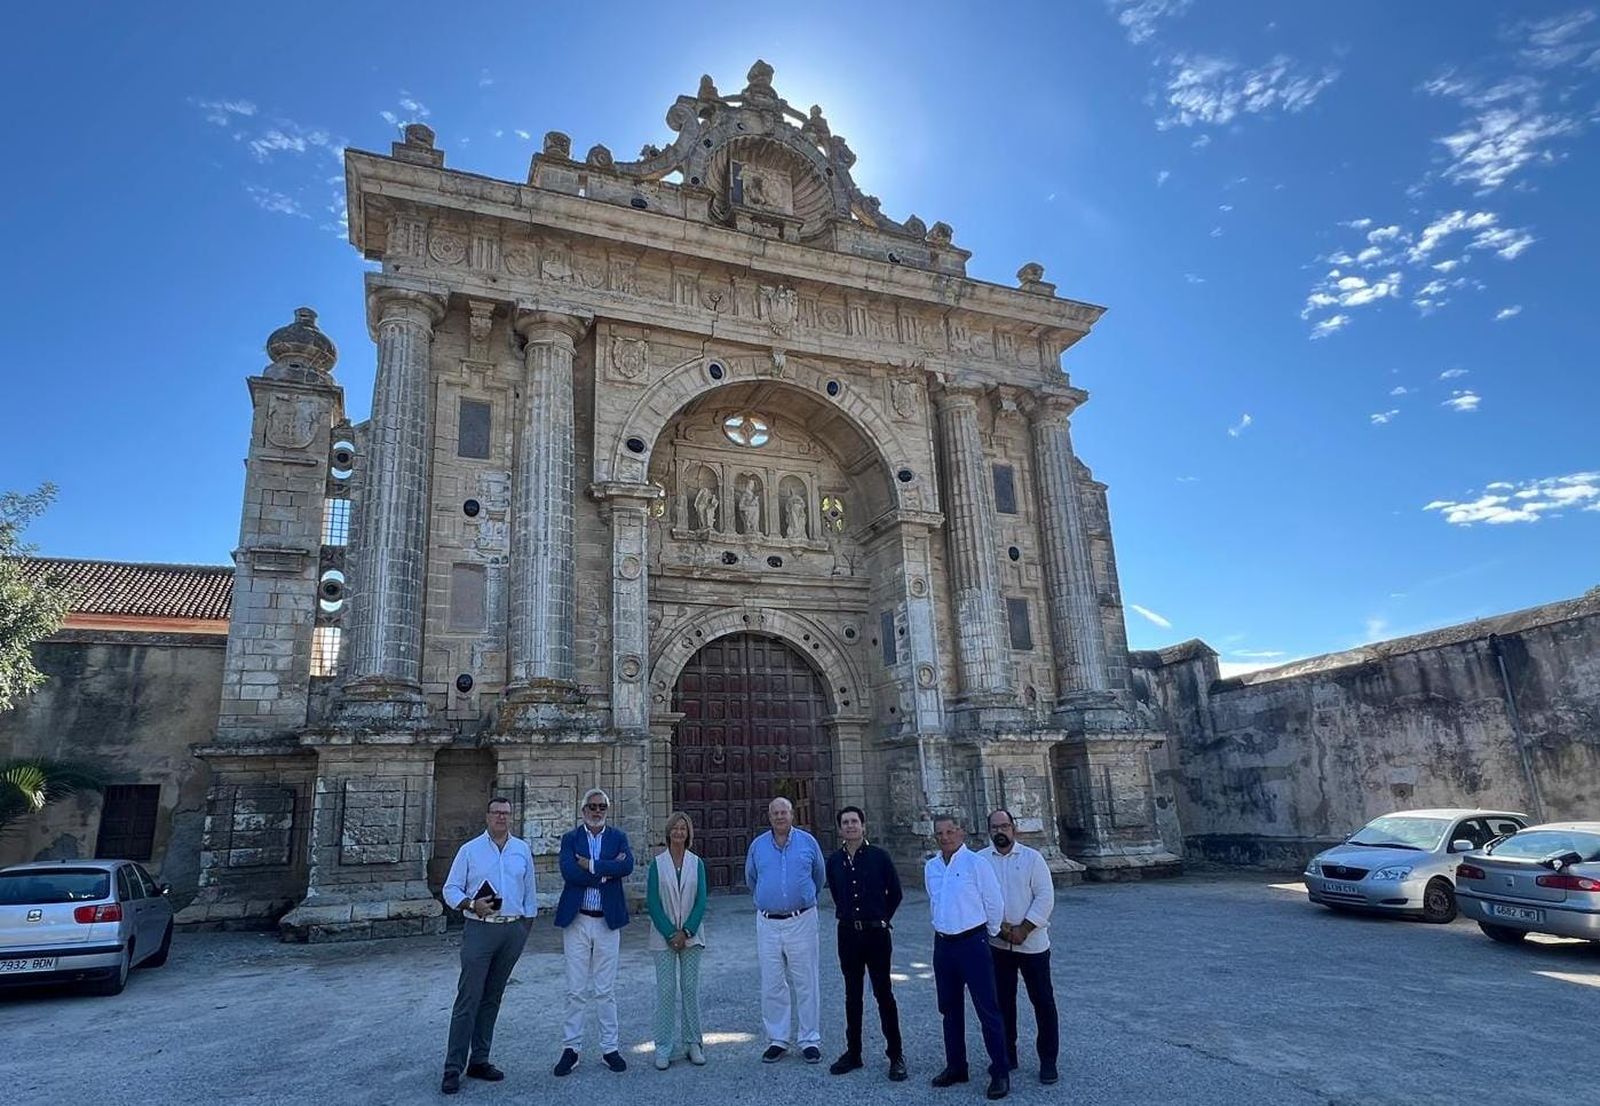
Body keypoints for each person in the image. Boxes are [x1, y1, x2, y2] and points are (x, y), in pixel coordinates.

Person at [438, 797, 538, 1095]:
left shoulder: (522, 849)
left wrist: (524, 928)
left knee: (492, 998)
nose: (501, 818)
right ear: (487, 816)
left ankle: (479, 1060)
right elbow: (450, 888)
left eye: (506, 813)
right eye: (496, 813)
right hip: (480, 930)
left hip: (512, 930)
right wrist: (470, 903)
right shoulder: (469, 850)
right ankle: (452, 1067)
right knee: (468, 998)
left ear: (512, 817)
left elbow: (530, 892)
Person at [924, 814, 1009, 1100]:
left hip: (973, 943)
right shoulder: (932, 867)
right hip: (944, 945)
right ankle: (956, 1066)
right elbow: (935, 902)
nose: (945, 837)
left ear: (961, 832)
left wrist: (989, 933)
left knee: (987, 1009)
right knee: (949, 1009)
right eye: (940, 833)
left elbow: (994, 902)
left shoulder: (977, 864)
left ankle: (1000, 1071)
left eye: (950, 831)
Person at [553, 787, 635, 1076]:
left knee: (605, 990)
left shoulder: (618, 837)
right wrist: (606, 871)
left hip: (607, 921)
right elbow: (569, 873)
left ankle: (609, 1048)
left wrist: (590, 865)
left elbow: (628, 867)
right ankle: (571, 1049)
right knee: (575, 990)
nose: (597, 810)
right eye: (592, 805)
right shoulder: (570, 839)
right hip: (577, 920)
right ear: (583, 809)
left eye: (601, 806)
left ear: (606, 810)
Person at [824, 806, 907, 1081]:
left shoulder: (880, 857)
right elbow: (836, 893)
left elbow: (895, 892)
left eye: (854, 821)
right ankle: (854, 1053)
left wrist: (881, 917)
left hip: (877, 935)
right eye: (845, 822)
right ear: (840, 829)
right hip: (848, 935)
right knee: (852, 995)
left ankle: (896, 1056)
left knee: (884, 994)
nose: (850, 826)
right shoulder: (834, 860)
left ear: (863, 826)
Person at [744, 796, 826, 1064]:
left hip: (801, 919)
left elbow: (819, 876)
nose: (780, 817)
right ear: (769, 817)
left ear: (792, 815)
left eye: (784, 812)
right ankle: (778, 1039)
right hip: (767, 922)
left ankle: (809, 1039)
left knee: (806, 980)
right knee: (772, 982)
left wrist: (801, 898)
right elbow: (752, 878)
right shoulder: (758, 846)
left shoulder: (808, 843)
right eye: (775, 813)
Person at [980, 809, 1059, 1086]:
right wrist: (1003, 930)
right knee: (1002, 1003)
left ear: (1014, 828)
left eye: (1004, 826)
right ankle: (1007, 1055)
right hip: (998, 943)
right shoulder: (980, 861)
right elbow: (978, 898)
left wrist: (1024, 929)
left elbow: (1045, 896)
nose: (1000, 831)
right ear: (988, 830)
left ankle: (1048, 1060)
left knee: (1043, 1002)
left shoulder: (1032, 859)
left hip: (1033, 944)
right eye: (995, 827)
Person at [648, 810, 709, 1070]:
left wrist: (686, 931)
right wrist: (670, 932)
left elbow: (701, 900)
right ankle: (663, 1046)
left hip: (691, 937)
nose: (679, 832)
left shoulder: (697, 863)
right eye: (675, 828)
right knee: (666, 991)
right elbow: (652, 901)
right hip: (663, 937)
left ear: (688, 833)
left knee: (690, 989)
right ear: (668, 832)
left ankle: (693, 1042)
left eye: (683, 829)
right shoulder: (656, 863)